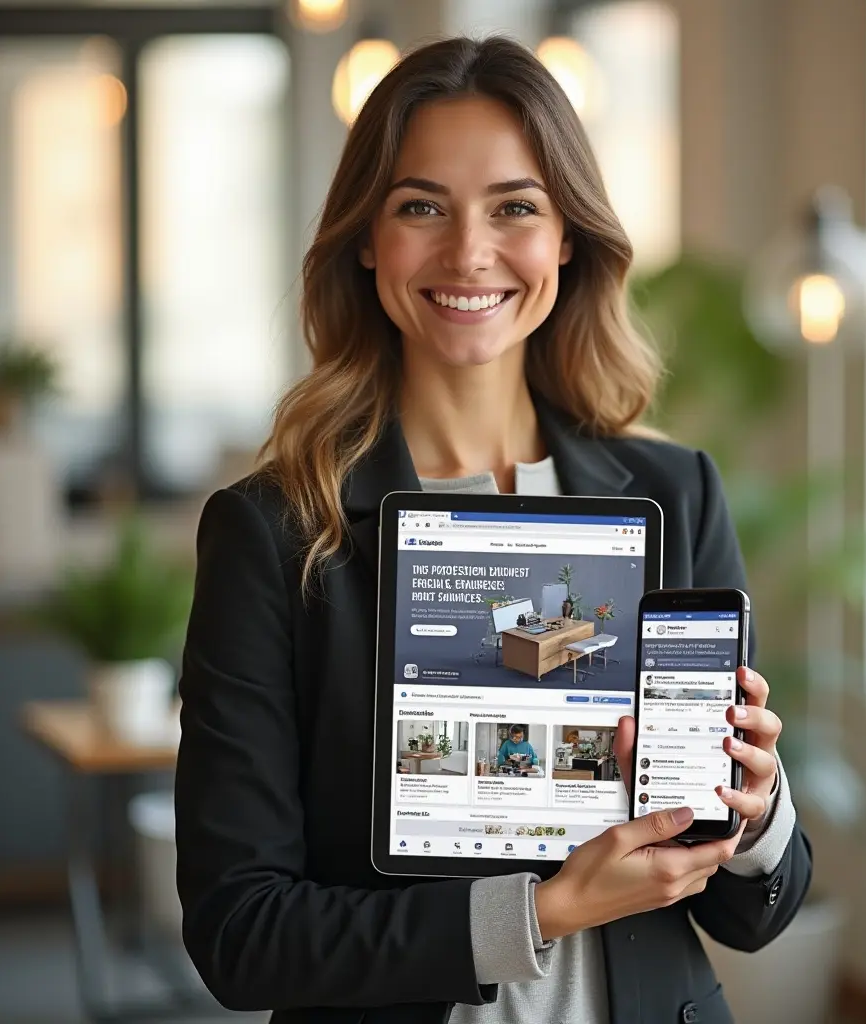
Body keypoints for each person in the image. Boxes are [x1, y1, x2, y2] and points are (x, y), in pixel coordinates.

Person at [175, 35, 812, 1024]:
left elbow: (752, 915)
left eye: (514, 206)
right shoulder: (271, 532)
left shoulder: (674, 490)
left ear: (566, 237)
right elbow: (241, 933)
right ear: (364, 238)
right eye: (420, 205)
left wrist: (756, 811)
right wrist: (543, 911)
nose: (468, 252)